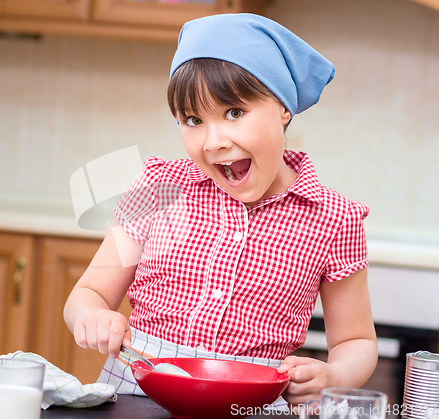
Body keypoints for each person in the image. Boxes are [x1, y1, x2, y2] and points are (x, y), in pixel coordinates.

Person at [63, 13, 378, 406]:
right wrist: (92, 317)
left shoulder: (334, 218)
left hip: (254, 406)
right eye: (193, 120)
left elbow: (356, 340)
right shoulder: (155, 187)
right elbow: (89, 293)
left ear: (283, 108)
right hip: (138, 397)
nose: (213, 142)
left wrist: (334, 373)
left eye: (234, 113)